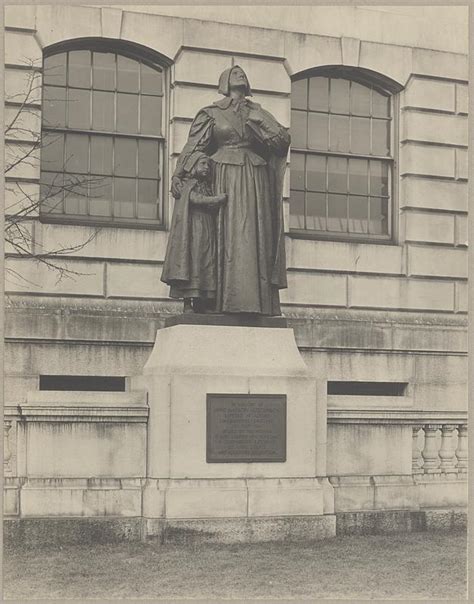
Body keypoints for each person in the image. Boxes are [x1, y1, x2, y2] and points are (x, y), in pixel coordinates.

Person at [170, 65, 290, 316]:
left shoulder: (259, 112)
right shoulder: (212, 113)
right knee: (218, 236)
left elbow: (280, 144)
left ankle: (253, 302)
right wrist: (179, 174)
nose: (240, 73)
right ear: (224, 81)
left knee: (251, 236)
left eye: (243, 72)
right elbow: (194, 146)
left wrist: (262, 123)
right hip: (222, 175)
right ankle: (211, 299)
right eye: (234, 72)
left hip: (254, 179)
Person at [161, 152, 226, 313]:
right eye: (203, 164)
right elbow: (196, 199)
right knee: (193, 262)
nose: (206, 168)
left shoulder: (207, 185)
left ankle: (201, 301)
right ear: (193, 166)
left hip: (206, 228)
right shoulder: (188, 184)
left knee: (206, 262)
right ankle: (187, 303)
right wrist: (217, 199)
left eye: (208, 165)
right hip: (193, 228)